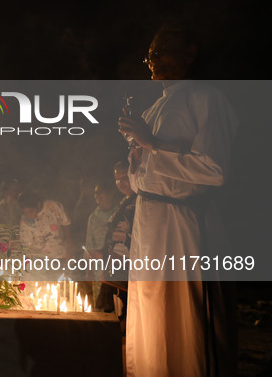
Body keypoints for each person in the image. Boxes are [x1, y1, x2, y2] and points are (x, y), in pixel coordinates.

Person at [118, 26, 238, 376]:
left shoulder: (205, 98)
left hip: (181, 223)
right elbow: (146, 172)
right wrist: (138, 148)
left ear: (191, 53)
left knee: (184, 320)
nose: (154, 59)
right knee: (152, 317)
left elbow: (214, 169)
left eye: (164, 50)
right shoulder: (157, 105)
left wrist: (152, 143)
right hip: (149, 223)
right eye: (151, 54)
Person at [96, 161, 136, 320]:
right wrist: (104, 252)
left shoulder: (141, 202)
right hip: (114, 264)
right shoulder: (125, 201)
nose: (121, 183)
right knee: (107, 307)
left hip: (128, 266)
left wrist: (126, 238)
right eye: (117, 179)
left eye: (125, 177)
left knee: (125, 310)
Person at [84, 181, 118, 307]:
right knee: (101, 303)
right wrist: (89, 271)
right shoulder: (93, 217)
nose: (97, 196)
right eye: (95, 193)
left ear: (111, 193)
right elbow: (89, 245)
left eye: (100, 193)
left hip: (117, 266)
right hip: (98, 268)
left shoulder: (119, 213)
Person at [18, 191, 71, 261]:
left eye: (31, 211)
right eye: (25, 213)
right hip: (39, 261)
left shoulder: (53, 207)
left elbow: (66, 226)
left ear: (38, 205)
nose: (29, 216)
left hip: (60, 256)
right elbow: (27, 247)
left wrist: (70, 249)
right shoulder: (25, 222)